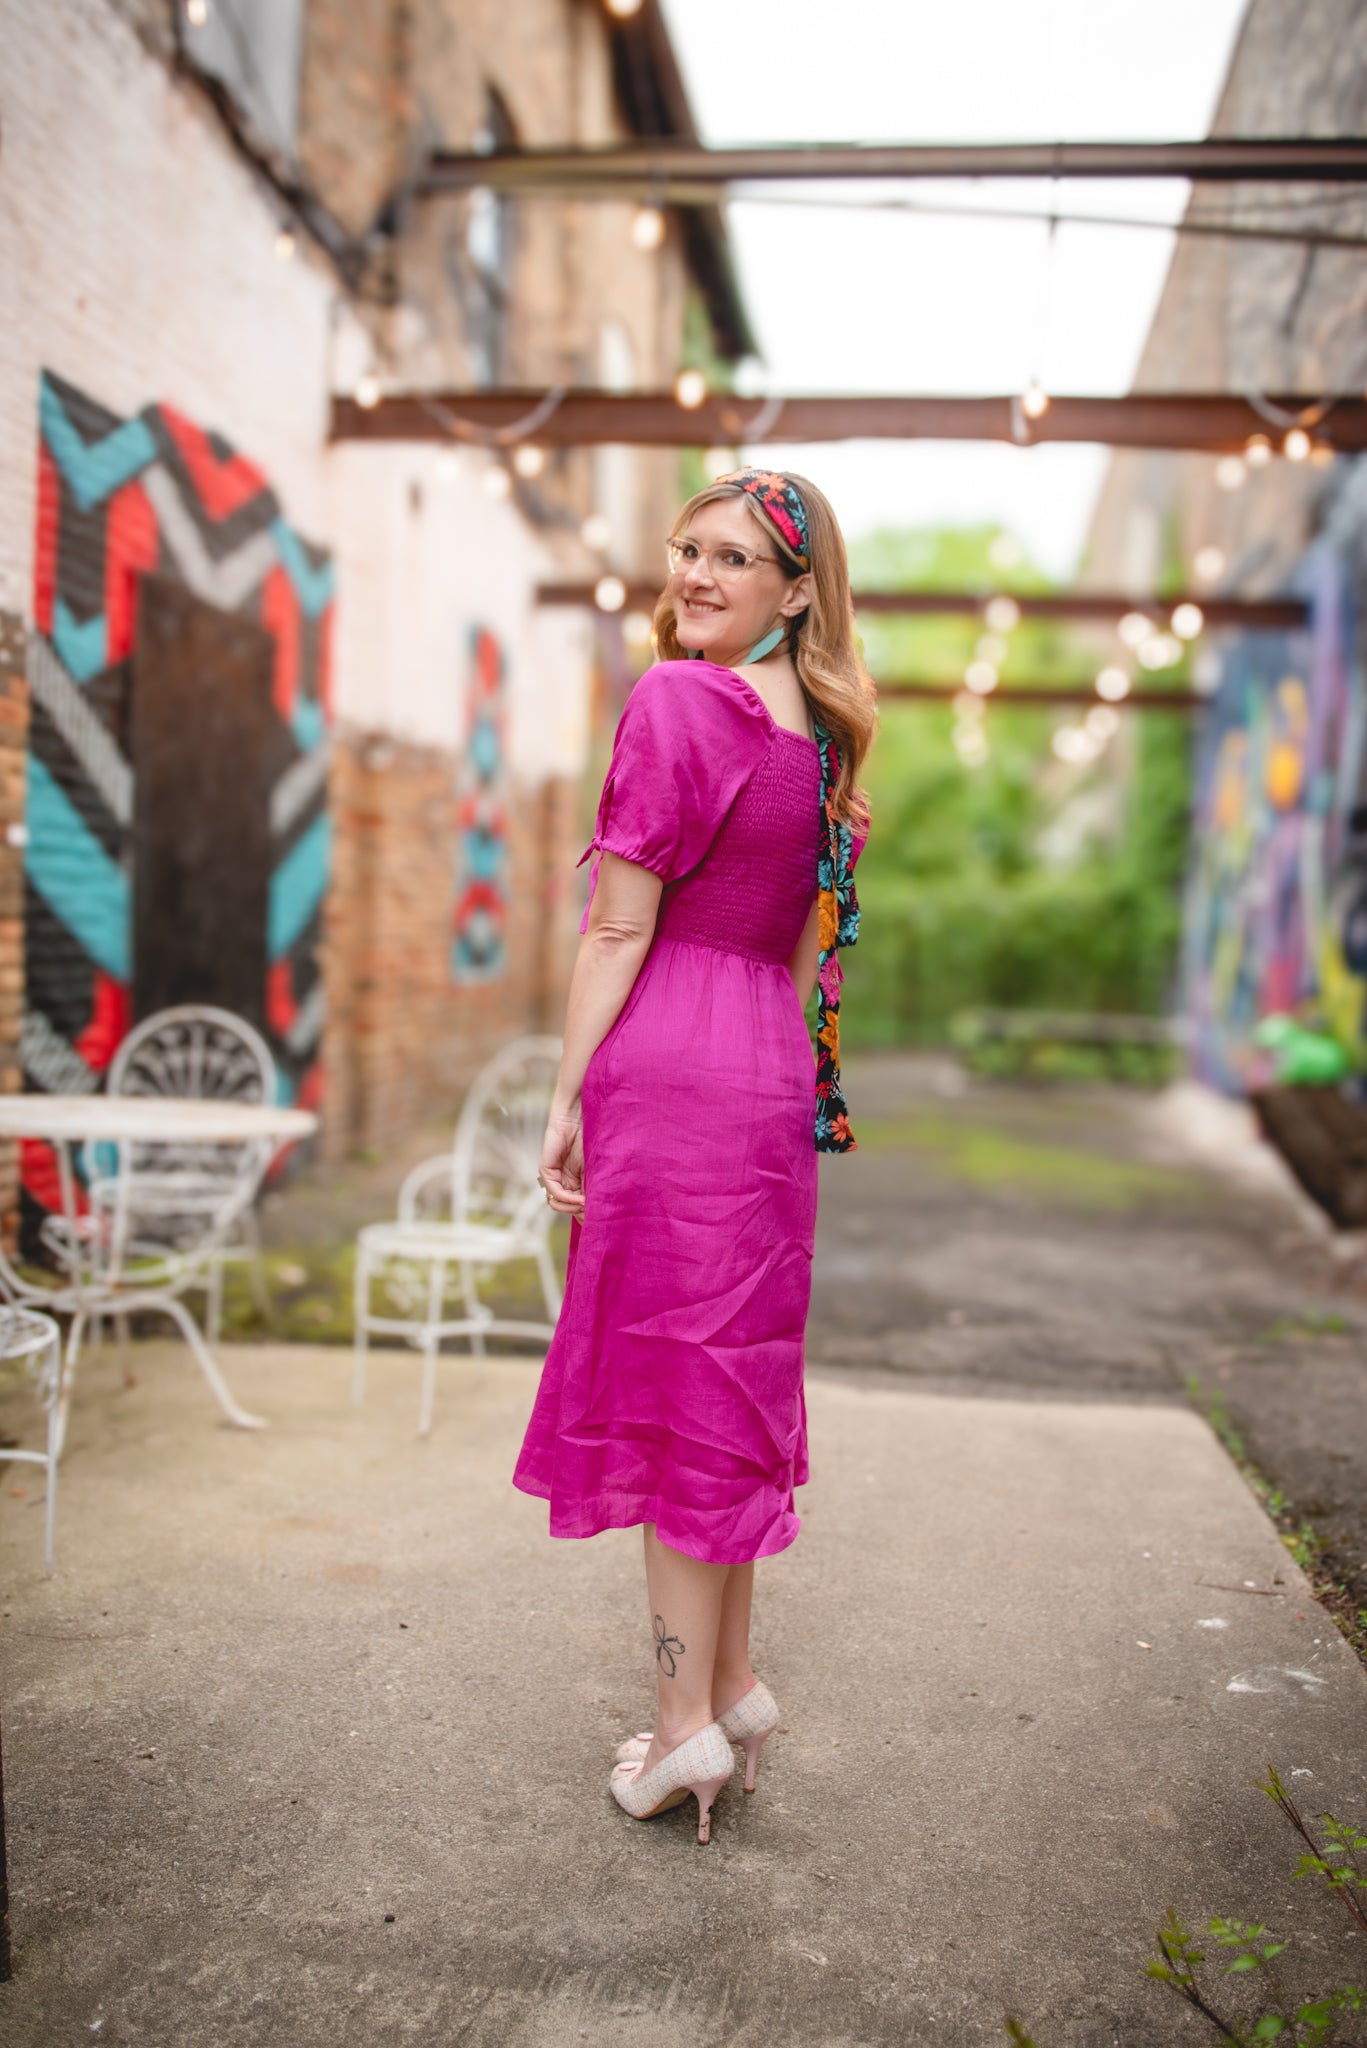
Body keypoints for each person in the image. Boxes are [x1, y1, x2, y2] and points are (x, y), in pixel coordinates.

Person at [513, 468, 876, 1843]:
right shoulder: (817, 741)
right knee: (730, 1374)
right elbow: (800, 946)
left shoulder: (681, 700)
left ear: (796, 588)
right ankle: (729, 1686)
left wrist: (564, 1096)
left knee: (675, 1390)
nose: (697, 575)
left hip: (672, 1063)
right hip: (766, 1070)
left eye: (733, 557)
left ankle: (680, 1734)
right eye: (687, 548)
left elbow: (619, 927)